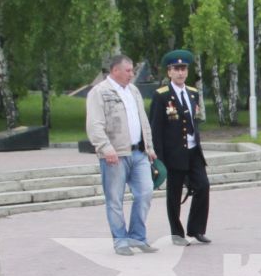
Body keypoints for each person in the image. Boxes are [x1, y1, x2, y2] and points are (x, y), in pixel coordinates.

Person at [83, 52, 158, 254]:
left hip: (138, 153)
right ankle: (120, 240)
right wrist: (105, 147)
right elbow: (94, 125)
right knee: (115, 199)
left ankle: (137, 236)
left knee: (145, 193)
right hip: (114, 155)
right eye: (128, 70)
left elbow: (143, 121)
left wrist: (149, 147)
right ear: (115, 70)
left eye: (132, 70)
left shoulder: (133, 90)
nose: (131, 74)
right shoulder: (99, 92)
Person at [148, 49, 211, 245]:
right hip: (173, 153)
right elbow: (155, 127)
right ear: (169, 72)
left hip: (193, 151)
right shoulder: (162, 96)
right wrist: (157, 156)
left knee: (203, 186)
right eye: (176, 69)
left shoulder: (192, 93)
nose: (181, 73)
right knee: (174, 194)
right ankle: (177, 233)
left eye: (183, 69)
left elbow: (194, 121)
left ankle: (196, 229)